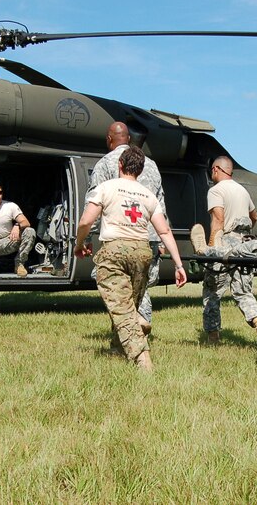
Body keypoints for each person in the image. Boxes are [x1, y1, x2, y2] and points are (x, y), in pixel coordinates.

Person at [75, 146, 187, 371]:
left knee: (121, 308)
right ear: (141, 169)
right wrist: (178, 264)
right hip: (142, 253)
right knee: (129, 303)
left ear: (119, 165)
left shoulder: (106, 187)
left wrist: (79, 244)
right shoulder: (148, 195)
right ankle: (118, 348)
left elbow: (86, 221)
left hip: (114, 251)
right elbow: (164, 232)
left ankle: (142, 358)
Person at [86, 121, 167, 335]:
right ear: (129, 139)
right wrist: (161, 239)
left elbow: (94, 203)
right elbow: (160, 203)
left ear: (109, 139)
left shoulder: (105, 164)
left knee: (110, 281)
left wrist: (86, 238)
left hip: (120, 235)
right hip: (148, 236)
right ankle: (137, 329)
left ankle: (132, 324)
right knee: (142, 287)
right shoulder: (150, 164)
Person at [197, 156, 257, 345]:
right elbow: (254, 216)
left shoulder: (216, 190)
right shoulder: (242, 190)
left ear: (215, 170)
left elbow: (218, 220)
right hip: (245, 245)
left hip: (226, 244)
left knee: (212, 291)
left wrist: (212, 247)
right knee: (243, 291)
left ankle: (213, 337)